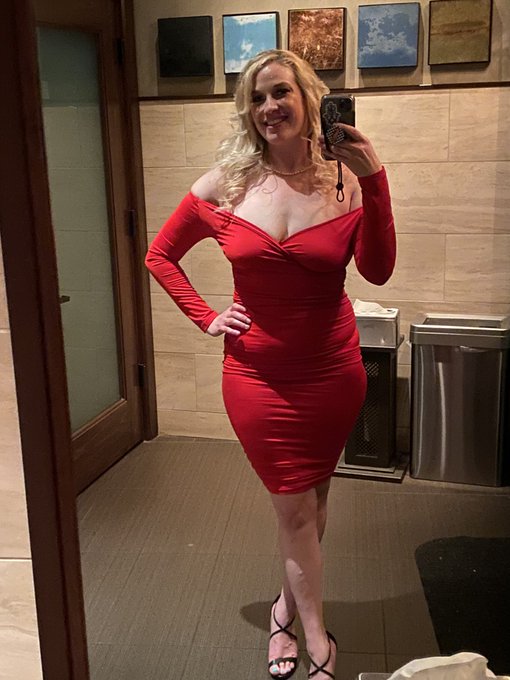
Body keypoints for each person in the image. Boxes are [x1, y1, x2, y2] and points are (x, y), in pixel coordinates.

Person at [145, 49, 396, 680]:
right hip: (256, 377)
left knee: (313, 501)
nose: (268, 107)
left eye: (280, 92)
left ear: (309, 97)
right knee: (294, 508)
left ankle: (284, 608)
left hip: (333, 371)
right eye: (256, 98)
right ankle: (316, 641)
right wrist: (206, 317)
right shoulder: (226, 184)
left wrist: (375, 178)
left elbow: (378, 270)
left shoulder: (344, 181)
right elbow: (160, 255)